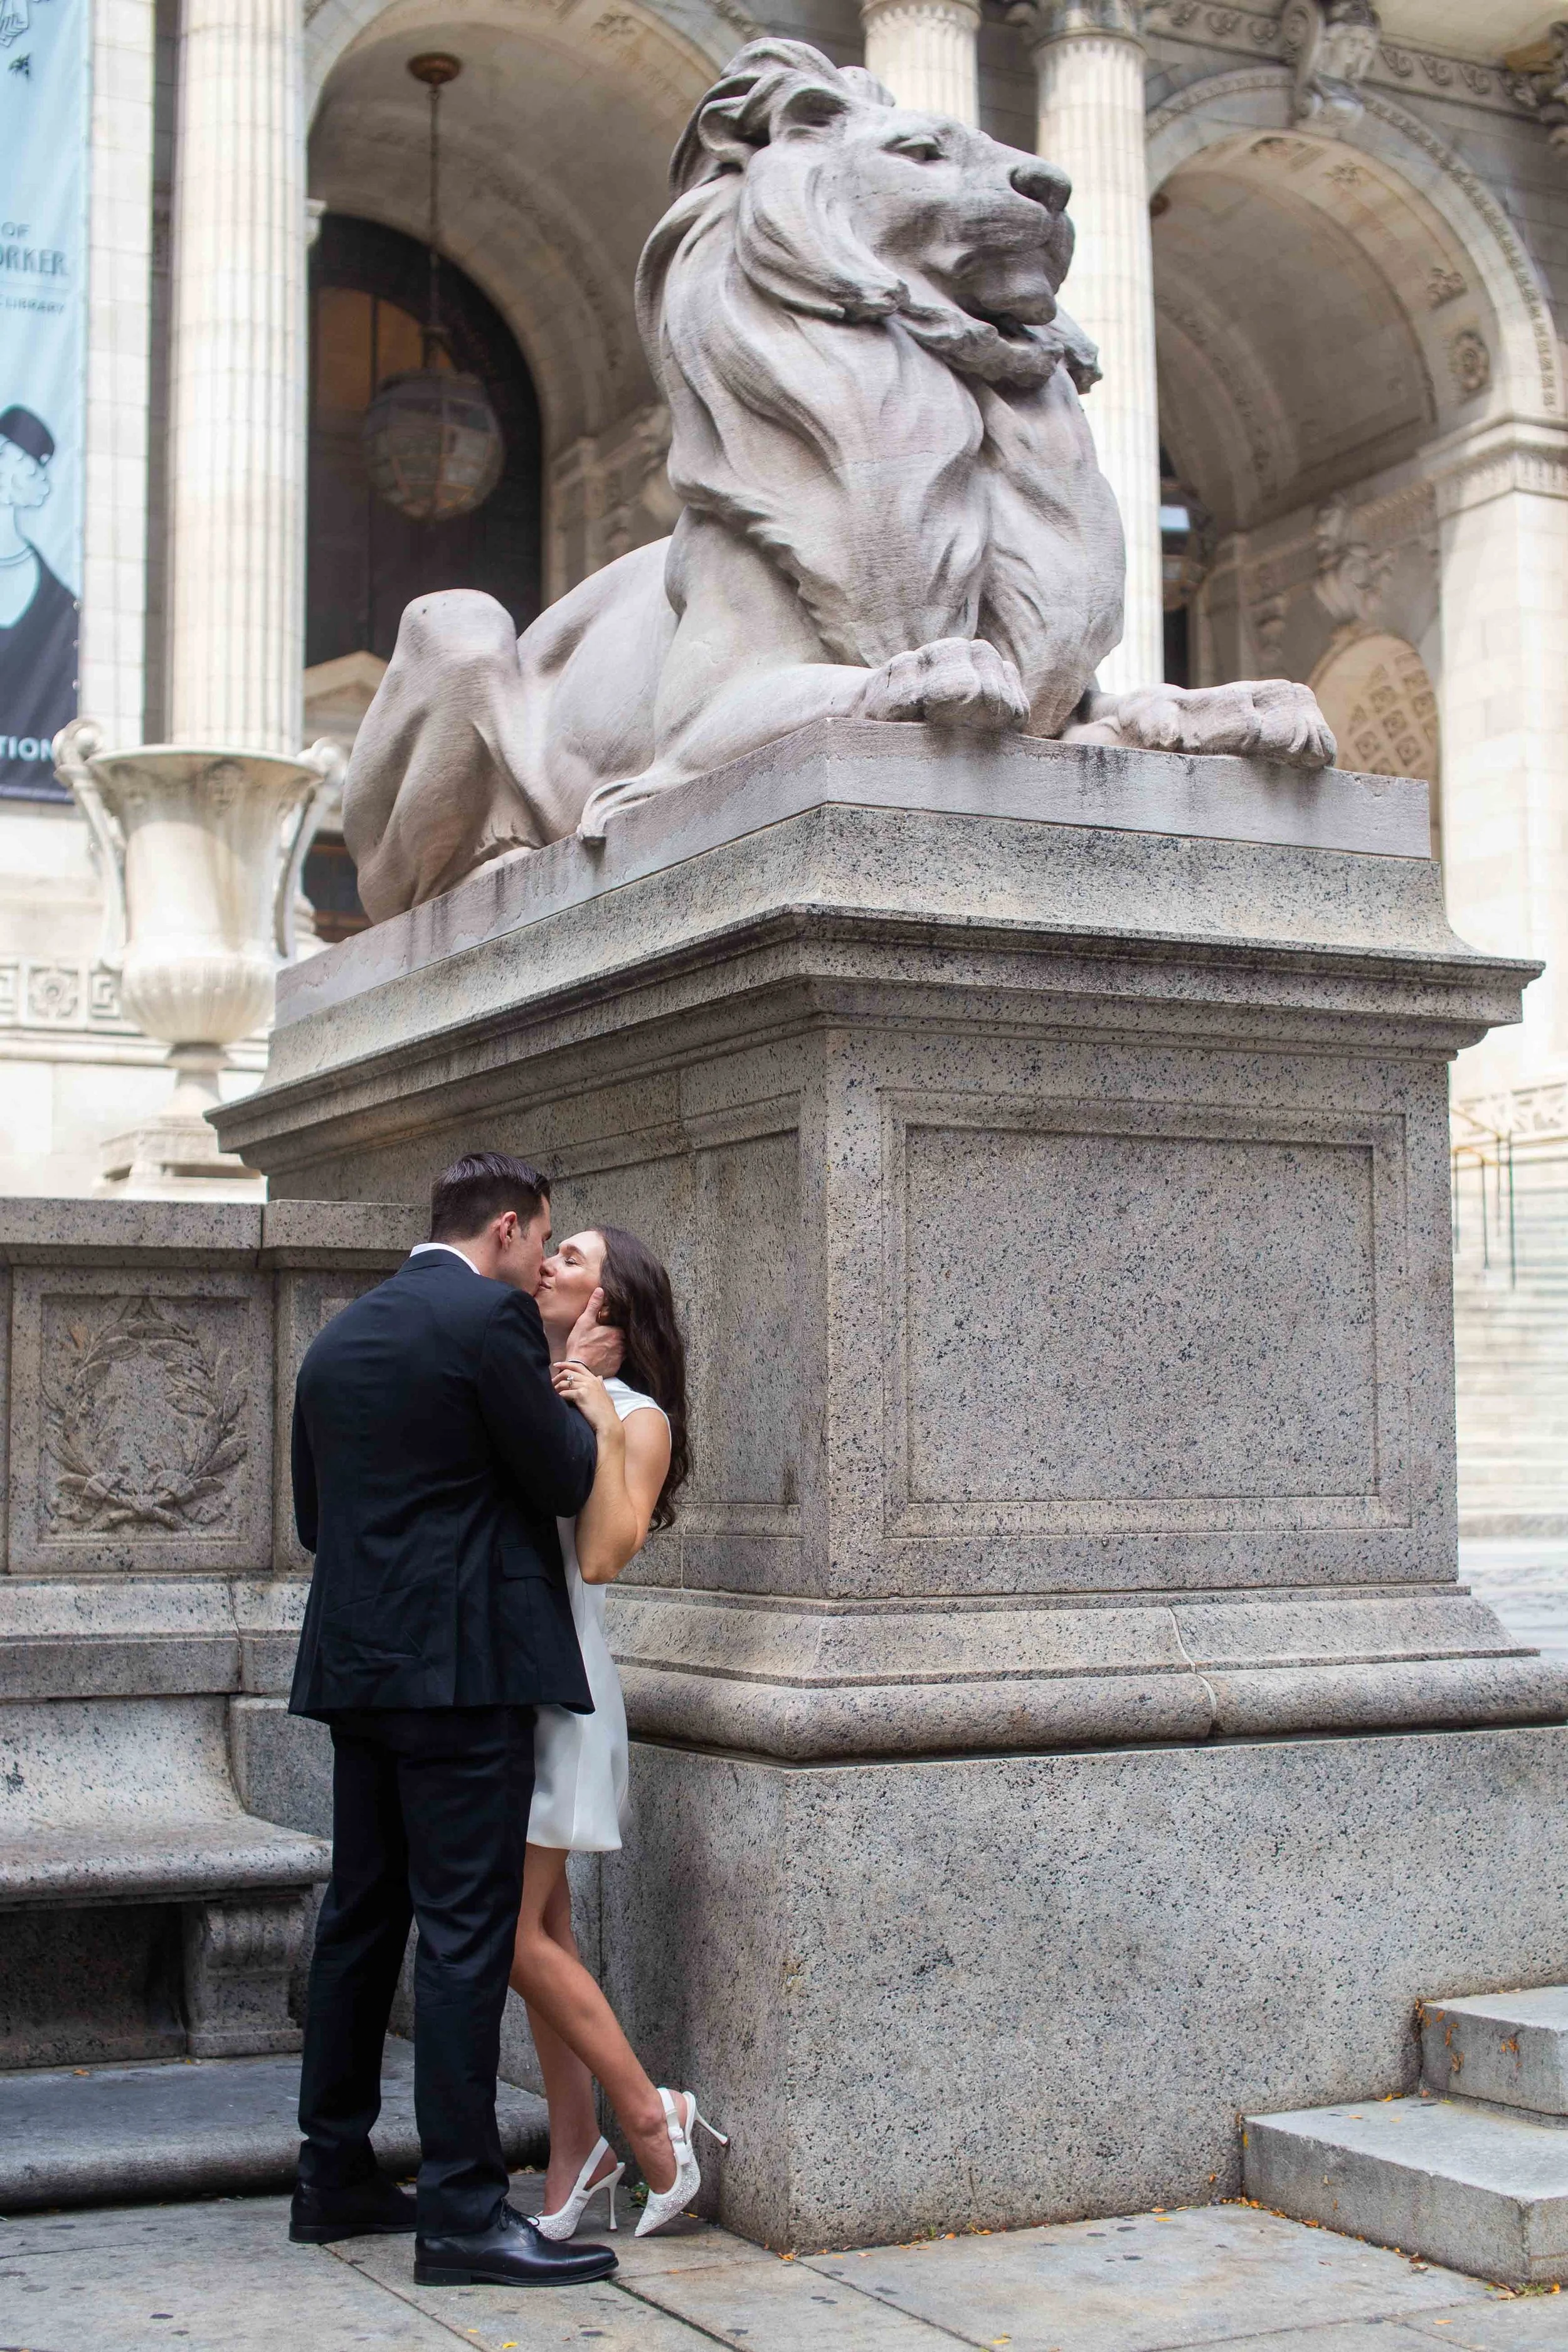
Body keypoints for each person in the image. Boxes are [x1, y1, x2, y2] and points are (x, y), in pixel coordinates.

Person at [287, 1152, 625, 2289]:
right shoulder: (489, 1321)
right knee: (468, 1934)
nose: (539, 1272)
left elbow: (311, 1517)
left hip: (356, 1668)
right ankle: (464, 2215)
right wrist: (572, 1379)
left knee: (362, 1917)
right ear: (511, 1230)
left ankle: (331, 2171)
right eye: (543, 1247)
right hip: (463, 1672)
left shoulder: (339, 1336)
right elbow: (568, 1476)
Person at [509, 1224, 726, 2240]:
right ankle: (575, 2147)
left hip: (567, 1693)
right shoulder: (522, 1379)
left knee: (512, 1931)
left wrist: (595, 1410)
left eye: (573, 1258)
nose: (548, 1262)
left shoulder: (638, 1418)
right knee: (542, 1930)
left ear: (615, 1307)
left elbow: (600, 1556)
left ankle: (651, 2113)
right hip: (511, 1684)